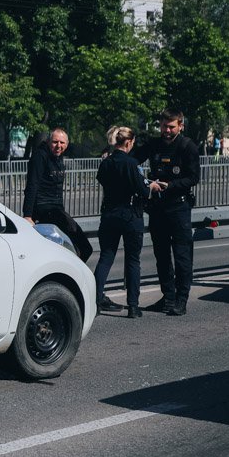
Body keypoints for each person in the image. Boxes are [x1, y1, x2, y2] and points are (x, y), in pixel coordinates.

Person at [130, 109, 200, 316]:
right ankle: (168, 296)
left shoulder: (188, 147)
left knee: (181, 255)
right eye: (164, 126)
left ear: (181, 126)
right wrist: (116, 153)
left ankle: (181, 299)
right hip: (158, 208)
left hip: (178, 207)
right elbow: (133, 159)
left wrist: (169, 185)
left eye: (171, 127)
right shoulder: (154, 144)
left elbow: (193, 178)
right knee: (161, 254)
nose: (167, 130)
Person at [94, 126, 149, 319]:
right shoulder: (132, 163)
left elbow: (103, 181)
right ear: (128, 142)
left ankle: (96, 300)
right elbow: (142, 190)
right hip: (131, 215)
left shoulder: (106, 163)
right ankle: (133, 306)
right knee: (133, 260)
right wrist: (152, 186)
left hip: (109, 215)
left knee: (106, 257)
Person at [22, 128, 93, 262]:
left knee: (83, 248)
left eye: (62, 143)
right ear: (49, 141)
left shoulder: (58, 157)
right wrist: (27, 215)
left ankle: (70, 274)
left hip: (56, 210)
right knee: (83, 248)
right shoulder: (40, 156)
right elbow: (32, 185)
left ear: (67, 144)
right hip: (43, 210)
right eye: (55, 142)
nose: (58, 146)